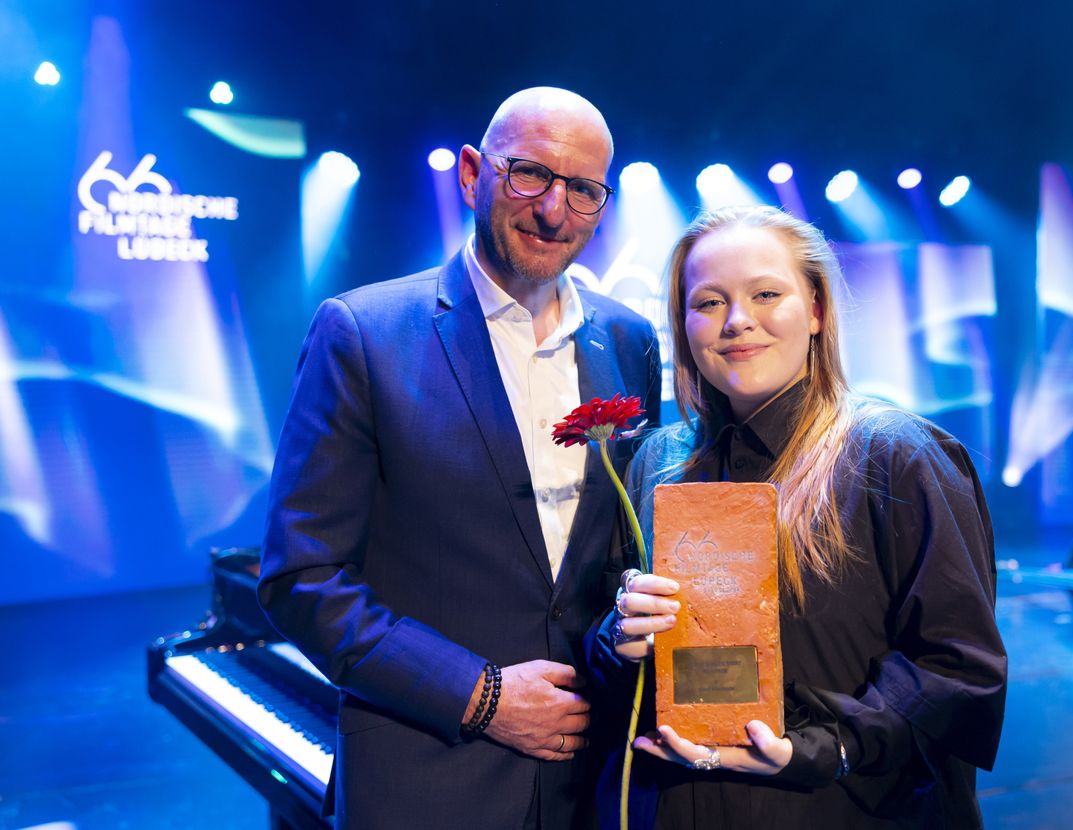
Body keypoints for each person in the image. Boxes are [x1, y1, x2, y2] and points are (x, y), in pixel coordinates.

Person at [258, 87, 662, 829]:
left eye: (583, 190)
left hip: (597, 781)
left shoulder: (631, 341)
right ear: (473, 175)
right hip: (430, 778)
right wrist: (484, 697)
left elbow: (626, 552)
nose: (553, 210)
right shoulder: (362, 333)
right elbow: (302, 577)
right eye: (531, 175)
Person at [588, 205, 1006, 828]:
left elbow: (958, 669)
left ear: (815, 310)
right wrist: (619, 639)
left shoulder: (896, 455)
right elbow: (610, 649)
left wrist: (826, 748)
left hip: (844, 808)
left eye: (765, 293)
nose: (737, 322)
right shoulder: (657, 463)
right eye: (707, 302)